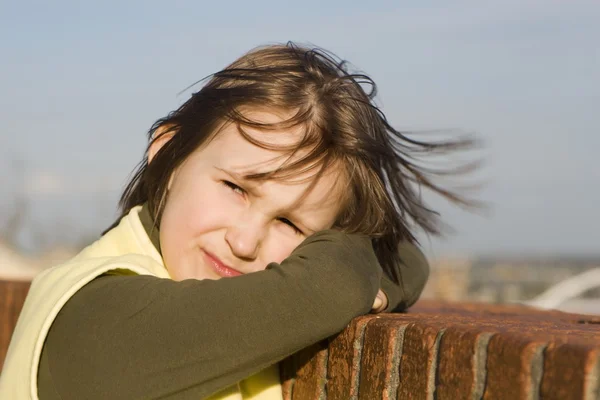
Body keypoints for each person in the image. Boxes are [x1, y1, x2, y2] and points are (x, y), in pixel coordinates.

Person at [0, 42, 474, 399]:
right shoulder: (91, 313)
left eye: (290, 223)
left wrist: (358, 266)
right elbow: (332, 284)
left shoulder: (241, 310)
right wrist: (346, 270)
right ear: (167, 149)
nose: (246, 242)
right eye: (236, 188)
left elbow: (400, 258)